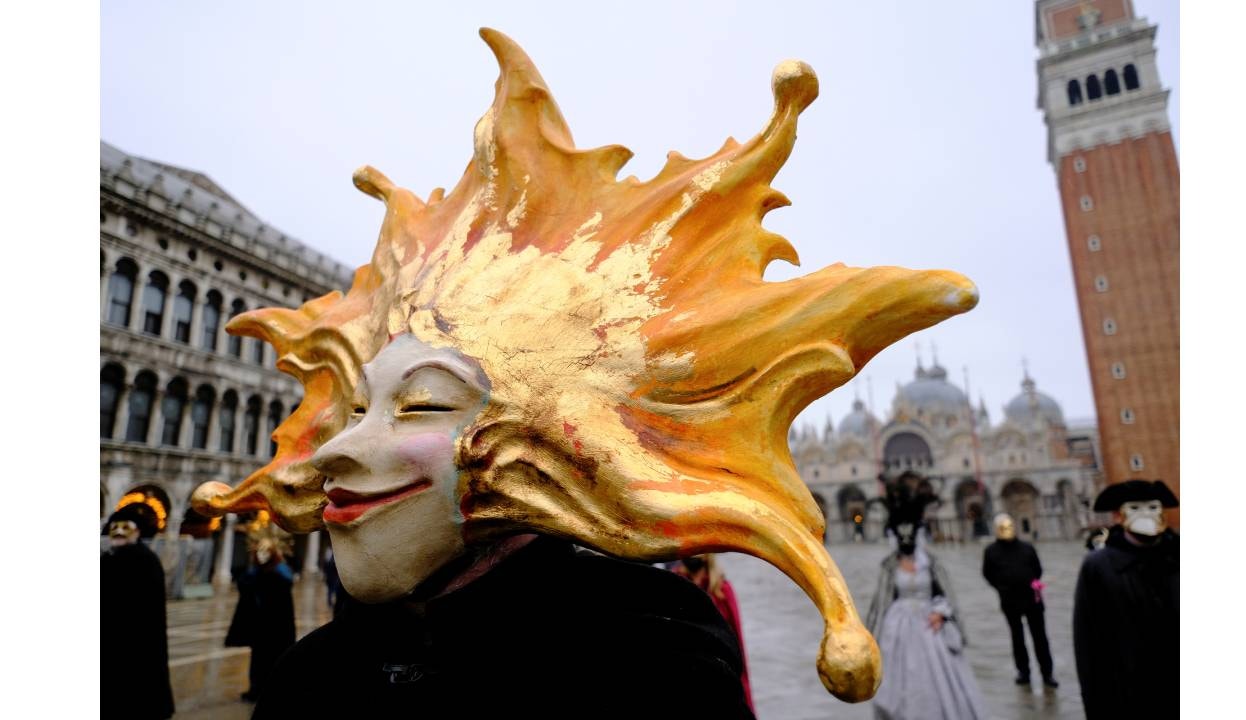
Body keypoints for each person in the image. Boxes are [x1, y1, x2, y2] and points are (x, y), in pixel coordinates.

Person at [190, 27, 980, 711]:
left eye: (424, 405)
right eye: (358, 409)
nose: (336, 450)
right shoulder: (312, 681)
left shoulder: (646, 667)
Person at [866, 482, 987, 720]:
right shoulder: (889, 566)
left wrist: (941, 613)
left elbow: (944, 594)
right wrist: (867, 643)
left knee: (939, 681)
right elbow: (880, 604)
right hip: (898, 630)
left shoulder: (931, 563)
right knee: (901, 679)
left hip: (930, 626)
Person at [1073, 479, 1179, 718]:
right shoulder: (1099, 566)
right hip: (1130, 692)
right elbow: (1089, 643)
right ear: (1119, 516)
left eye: (1152, 507)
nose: (1146, 515)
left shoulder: (1179, 555)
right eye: (1135, 508)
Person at [101, 504, 175, 720]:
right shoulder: (109, 558)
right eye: (115, 527)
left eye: (125, 527)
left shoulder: (144, 560)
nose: (118, 532)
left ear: (137, 531)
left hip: (134, 643)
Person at [982, 512, 1057, 688]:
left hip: (1032, 599)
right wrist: (1001, 587)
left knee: (1040, 637)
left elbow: (1038, 569)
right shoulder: (991, 551)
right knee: (1017, 638)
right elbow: (988, 573)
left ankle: (1047, 673)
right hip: (1009, 600)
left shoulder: (1027, 547)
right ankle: (1023, 672)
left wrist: (1029, 583)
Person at [674, 554, 755, 712]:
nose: (691, 555)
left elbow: (737, 642)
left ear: (707, 555)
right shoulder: (675, 584)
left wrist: (746, 699)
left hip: (717, 676)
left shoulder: (722, 590)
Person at [226, 528, 297, 703]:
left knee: (272, 661)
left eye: (266, 552)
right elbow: (246, 588)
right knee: (259, 661)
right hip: (261, 629)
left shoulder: (280, 577)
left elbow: (283, 595)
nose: (262, 555)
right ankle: (256, 689)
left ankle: (268, 690)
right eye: (260, 552)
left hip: (276, 630)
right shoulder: (257, 575)